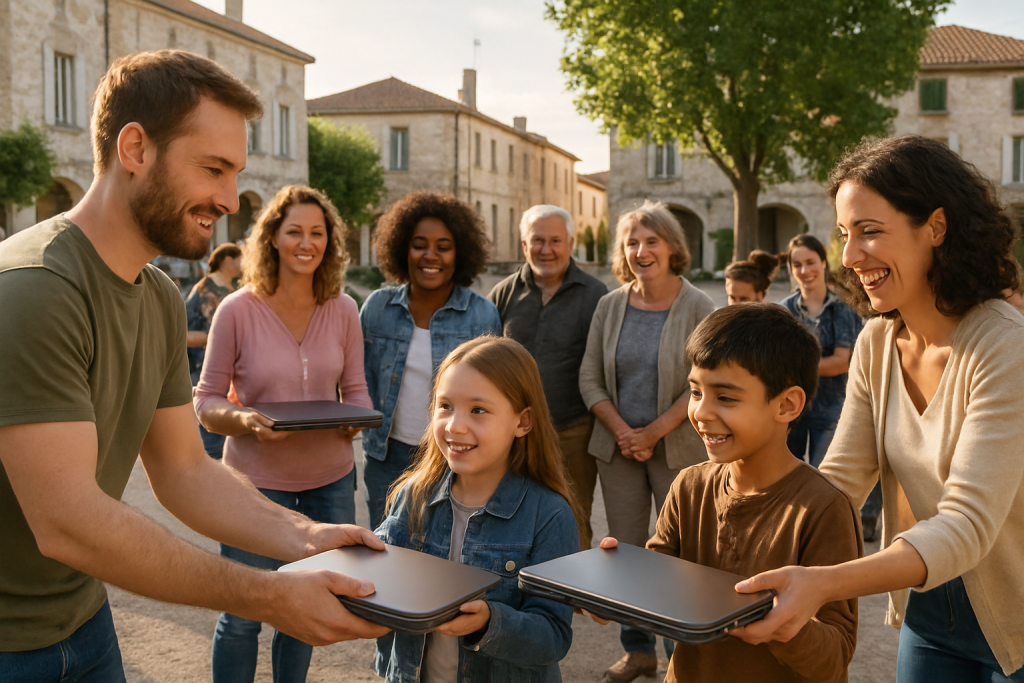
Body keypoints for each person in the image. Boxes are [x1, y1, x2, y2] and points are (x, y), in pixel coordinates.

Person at [0, 51, 386, 680]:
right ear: (135, 149)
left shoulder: (154, 298)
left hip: (82, 619)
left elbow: (183, 470)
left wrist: (302, 538)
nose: (229, 199)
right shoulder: (35, 287)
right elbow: (66, 523)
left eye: (235, 174)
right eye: (213, 169)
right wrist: (267, 594)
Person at [733, 135, 1024, 681]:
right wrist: (720, 551)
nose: (849, 256)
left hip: (1017, 616)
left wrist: (824, 581)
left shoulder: (1006, 346)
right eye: (845, 234)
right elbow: (838, 483)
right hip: (929, 614)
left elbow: (966, 522)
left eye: (869, 231)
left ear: (935, 227)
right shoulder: (876, 342)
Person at [593, 303, 861, 682]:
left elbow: (833, 658)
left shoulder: (822, 507)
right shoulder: (689, 486)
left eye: (726, 397)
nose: (701, 412)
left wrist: (782, 624)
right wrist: (615, 592)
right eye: (695, 392)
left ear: (787, 405)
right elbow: (658, 586)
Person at [194, 185, 372, 683]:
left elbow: (356, 390)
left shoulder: (344, 309)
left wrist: (357, 417)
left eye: (317, 232)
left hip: (330, 480)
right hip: (254, 482)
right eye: (294, 231)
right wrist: (245, 420)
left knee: (305, 608)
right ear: (272, 237)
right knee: (244, 613)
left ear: (330, 241)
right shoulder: (237, 310)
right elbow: (206, 401)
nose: (306, 242)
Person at [374, 336, 581, 682]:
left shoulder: (549, 515)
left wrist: (489, 622)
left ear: (523, 422)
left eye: (478, 410)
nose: (455, 425)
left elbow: (553, 635)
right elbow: (377, 577)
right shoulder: (412, 494)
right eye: (445, 406)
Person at [579, 200, 715, 682]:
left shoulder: (699, 305)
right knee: (627, 552)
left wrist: (654, 432)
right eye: (632, 242)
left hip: (678, 448)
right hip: (617, 451)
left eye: (651, 241)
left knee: (680, 554)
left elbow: (705, 381)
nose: (641, 250)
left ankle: (684, 652)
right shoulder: (609, 305)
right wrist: (623, 431)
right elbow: (590, 379)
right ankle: (638, 651)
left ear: (672, 246)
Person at [360, 191, 501, 528]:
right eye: (419, 244)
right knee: (385, 552)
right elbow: (360, 379)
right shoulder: (378, 308)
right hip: (386, 456)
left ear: (460, 252)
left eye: (443, 246)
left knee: (448, 555)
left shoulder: (482, 313)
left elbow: (493, 396)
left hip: (456, 455)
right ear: (402, 248)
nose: (430, 255)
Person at [487, 204, 607, 550]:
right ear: (524, 245)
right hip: (511, 433)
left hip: (573, 429)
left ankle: (574, 596)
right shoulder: (503, 294)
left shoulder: (596, 295)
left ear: (570, 243)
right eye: (537, 240)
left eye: (555, 240)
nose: (546, 249)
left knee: (573, 515)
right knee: (509, 514)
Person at [185, 241, 242, 458]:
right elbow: (183, 334)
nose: (243, 264)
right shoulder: (202, 290)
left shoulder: (234, 291)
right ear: (227, 260)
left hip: (236, 374)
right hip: (206, 370)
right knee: (210, 442)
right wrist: (216, 340)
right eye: (239, 259)